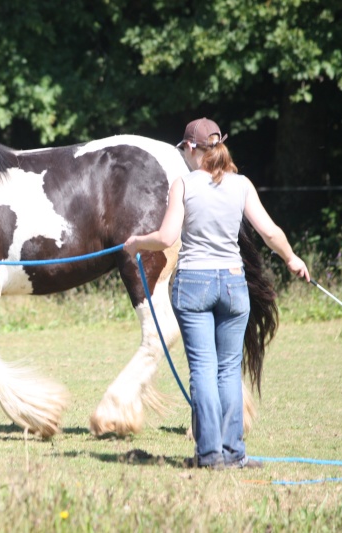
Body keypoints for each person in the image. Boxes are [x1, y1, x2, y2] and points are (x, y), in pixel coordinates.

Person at [124, 118, 309, 469]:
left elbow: (164, 238)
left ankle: (209, 455)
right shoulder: (241, 185)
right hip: (234, 285)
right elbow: (269, 232)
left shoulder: (184, 184)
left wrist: (136, 243)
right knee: (227, 370)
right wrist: (292, 258)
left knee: (204, 370)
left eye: (185, 149)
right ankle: (233, 454)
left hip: (194, 284)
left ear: (192, 148)